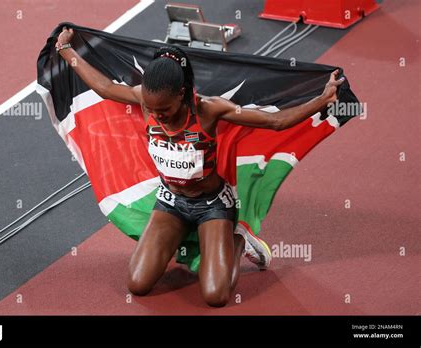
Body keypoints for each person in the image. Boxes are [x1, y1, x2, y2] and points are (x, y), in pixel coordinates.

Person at [56, 27, 344, 307]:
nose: (158, 116)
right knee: (137, 284)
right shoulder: (144, 100)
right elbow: (104, 87)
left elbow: (275, 122)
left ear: (181, 94)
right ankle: (189, 241)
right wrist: (66, 50)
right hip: (171, 202)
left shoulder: (208, 110)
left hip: (212, 205)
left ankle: (239, 239)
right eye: (152, 109)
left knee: (215, 296)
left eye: (164, 110)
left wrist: (322, 99)